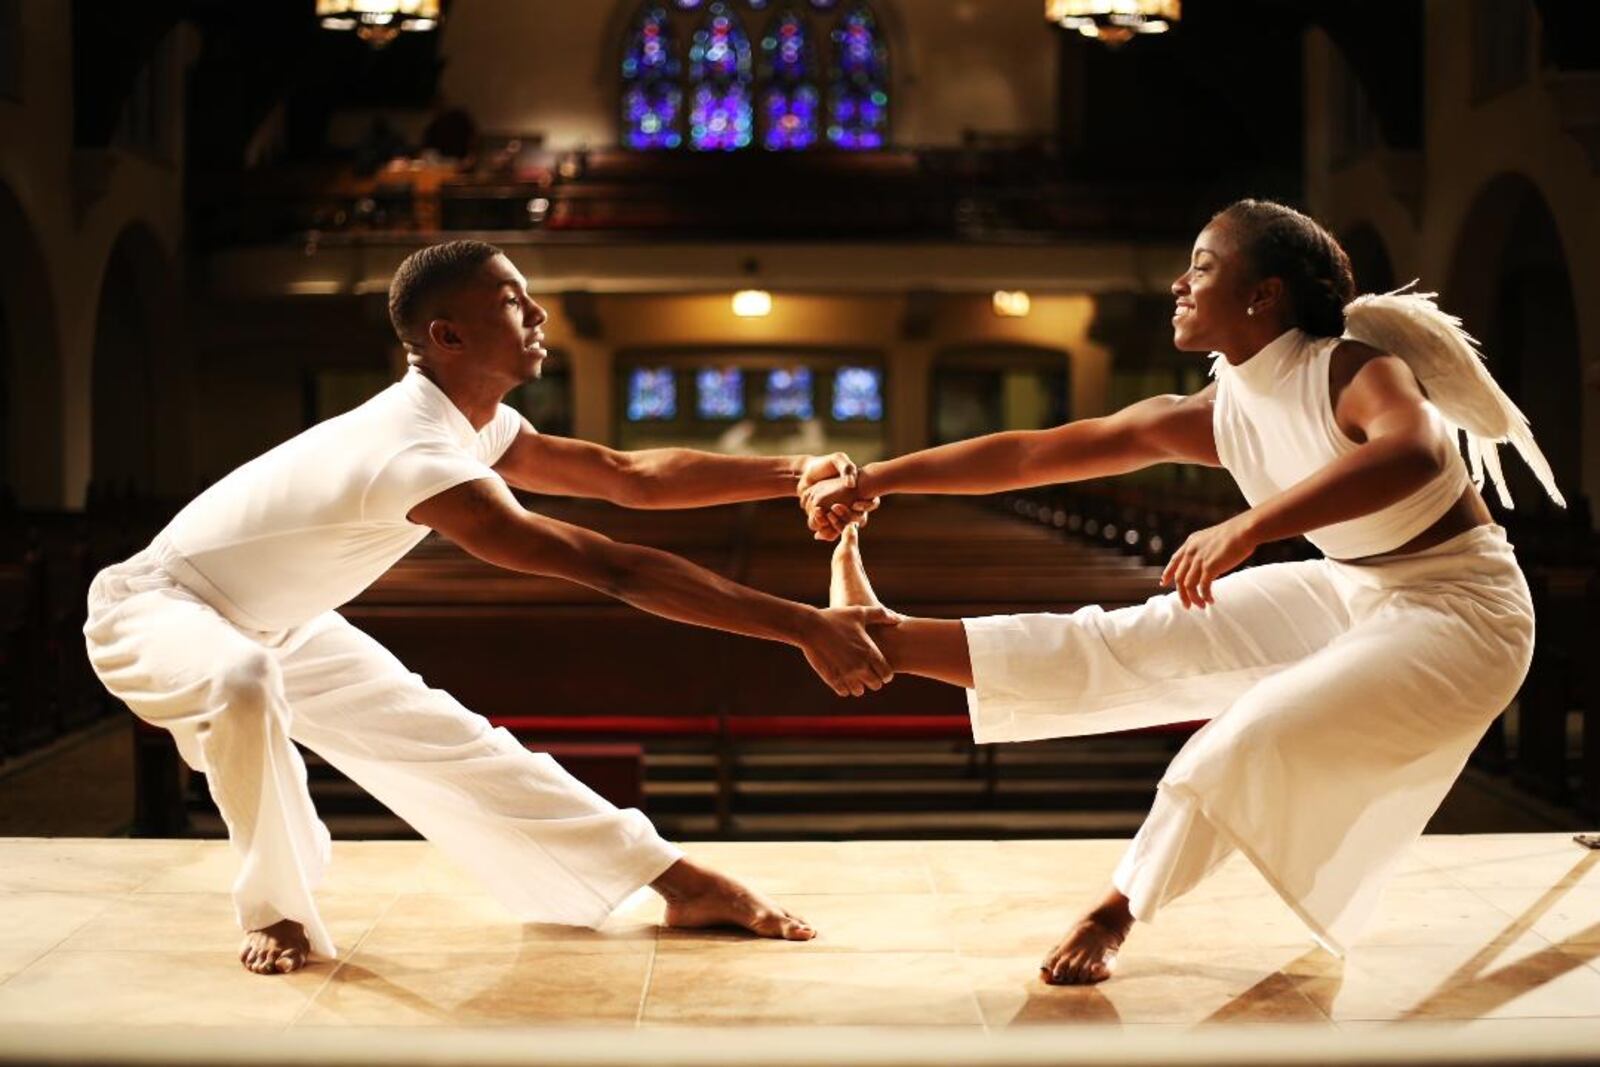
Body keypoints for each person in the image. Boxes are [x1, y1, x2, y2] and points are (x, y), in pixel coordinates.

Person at [84, 239, 895, 975]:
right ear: (448, 336)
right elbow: (608, 566)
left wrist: (794, 470)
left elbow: (629, 475)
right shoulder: (412, 450)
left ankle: (679, 881)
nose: (539, 312)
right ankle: (280, 909)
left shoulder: (474, 423)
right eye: (512, 299)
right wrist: (803, 623)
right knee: (243, 678)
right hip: (157, 609)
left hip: (278, 621)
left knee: (458, 743)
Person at [801, 199, 1560, 984]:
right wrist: (877, 478)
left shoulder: (1352, 368)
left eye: (1202, 265)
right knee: (1136, 634)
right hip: (1356, 588)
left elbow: (1418, 453)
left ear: (1263, 295)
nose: (1178, 282)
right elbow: (1037, 453)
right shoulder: (1222, 409)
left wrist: (1249, 525)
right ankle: (885, 636)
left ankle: (1117, 907)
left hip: (1465, 614)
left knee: (1248, 732)